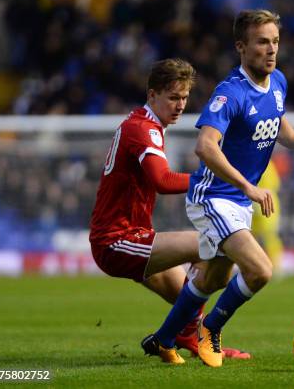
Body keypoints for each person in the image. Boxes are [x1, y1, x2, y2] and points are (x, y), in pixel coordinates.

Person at [147, 10, 294, 368]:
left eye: (275, 41)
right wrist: (247, 186)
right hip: (214, 197)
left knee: (212, 278)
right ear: (241, 47)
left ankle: (163, 339)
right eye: (262, 42)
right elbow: (205, 147)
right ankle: (210, 330)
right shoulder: (230, 93)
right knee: (260, 269)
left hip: (237, 200)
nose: (271, 50)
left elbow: (278, 122)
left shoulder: (278, 82)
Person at [89, 58, 249, 365]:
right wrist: (214, 179)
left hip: (134, 235)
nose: (180, 105)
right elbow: (162, 180)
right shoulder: (143, 129)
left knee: (188, 300)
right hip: (116, 240)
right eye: (173, 97)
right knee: (211, 244)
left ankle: (192, 338)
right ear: (152, 95)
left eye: (184, 97)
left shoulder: (146, 125)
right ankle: (192, 337)